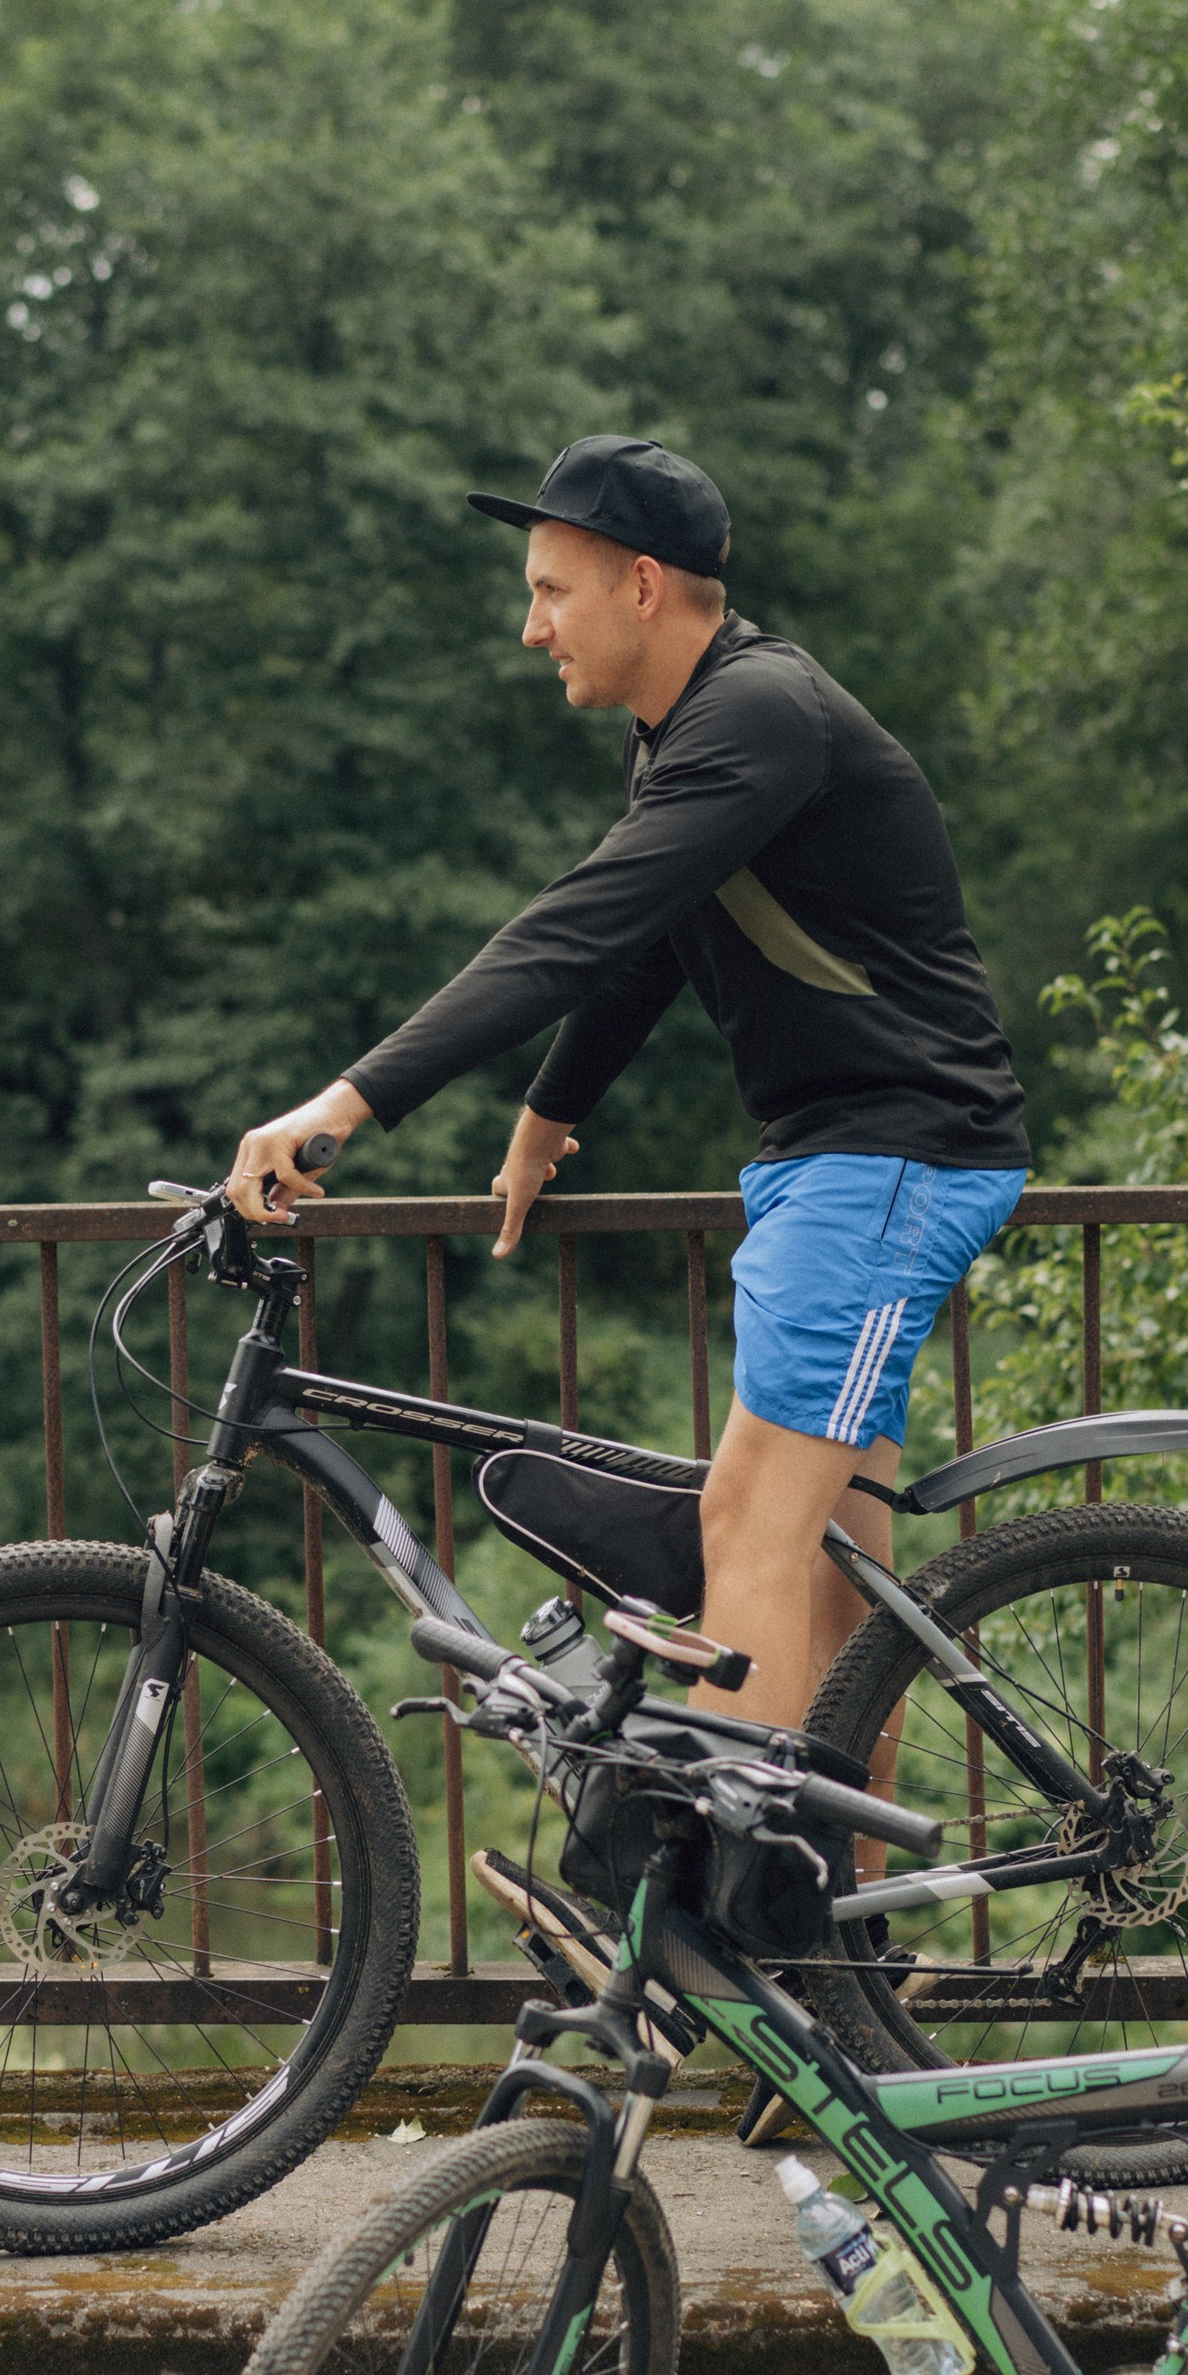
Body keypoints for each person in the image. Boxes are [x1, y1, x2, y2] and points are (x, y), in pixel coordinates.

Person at [226, 434, 1028, 1730]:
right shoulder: (687, 738)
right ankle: (837, 1916)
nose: (532, 627)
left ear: (642, 587)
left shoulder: (761, 715)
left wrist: (342, 1104)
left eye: (552, 590)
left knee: (748, 1533)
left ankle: (741, 1900)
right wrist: (549, 1118)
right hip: (847, 1163)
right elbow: (651, 946)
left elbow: (573, 931)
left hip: (895, 1160)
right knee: (840, 1583)